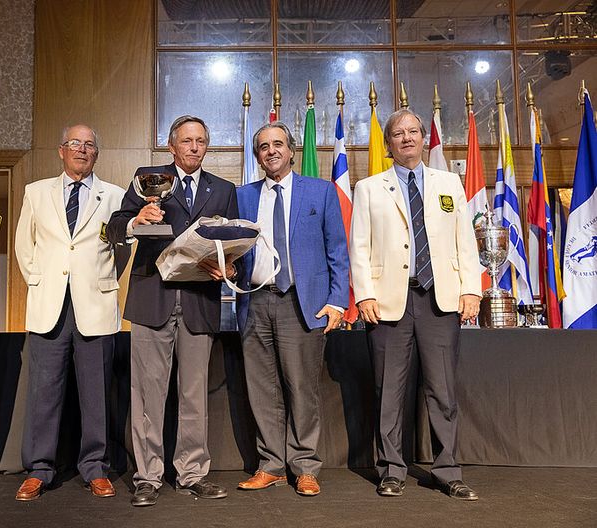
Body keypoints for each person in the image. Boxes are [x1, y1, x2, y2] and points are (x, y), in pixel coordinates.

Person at [349, 108, 481, 500]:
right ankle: (392, 469)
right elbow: (359, 246)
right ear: (389, 144)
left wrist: (471, 289)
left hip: (440, 301)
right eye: (398, 133)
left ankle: (447, 470)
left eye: (413, 132)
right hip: (389, 300)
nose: (406, 138)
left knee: (443, 391)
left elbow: (465, 241)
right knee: (389, 390)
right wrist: (365, 294)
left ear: (424, 138)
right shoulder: (369, 188)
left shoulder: (449, 183)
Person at [107, 115, 238, 507]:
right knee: (147, 395)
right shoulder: (147, 178)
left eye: (201, 141)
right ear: (172, 145)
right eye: (187, 141)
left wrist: (230, 266)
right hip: (153, 299)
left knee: (194, 395)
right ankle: (148, 476)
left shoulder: (223, 189)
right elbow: (114, 227)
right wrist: (136, 219)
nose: (194, 147)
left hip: (200, 303)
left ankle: (193, 473)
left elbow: (231, 239)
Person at [13, 124, 129, 501]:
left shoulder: (114, 195)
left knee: (96, 393)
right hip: (49, 306)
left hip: (94, 304)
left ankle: (95, 467)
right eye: (75, 143)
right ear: (61, 150)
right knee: (44, 393)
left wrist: (103, 279)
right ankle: (39, 469)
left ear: (97, 153)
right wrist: (42, 279)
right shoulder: (35, 192)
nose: (82, 149)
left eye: (90, 144)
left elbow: (123, 247)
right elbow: (23, 245)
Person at [234, 122, 349, 496]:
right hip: (255, 300)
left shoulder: (321, 191)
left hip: (303, 304)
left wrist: (337, 301)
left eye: (278, 144)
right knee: (261, 390)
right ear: (258, 156)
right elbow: (232, 248)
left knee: (302, 389)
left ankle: (304, 466)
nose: (271, 151)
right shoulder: (243, 196)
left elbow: (337, 251)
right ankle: (270, 465)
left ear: (292, 150)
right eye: (264, 146)